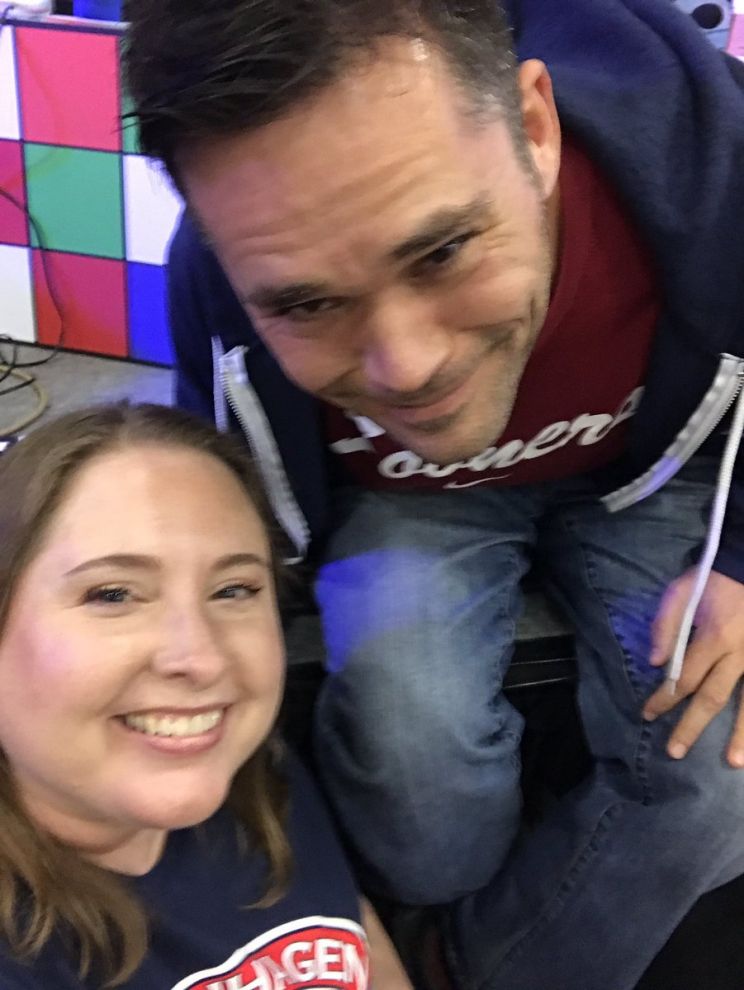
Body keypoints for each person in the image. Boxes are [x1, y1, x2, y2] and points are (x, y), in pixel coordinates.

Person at [122, 1, 744, 987]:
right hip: (413, 495)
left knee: (723, 775)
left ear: (534, 127)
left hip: (656, 473)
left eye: (442, 249)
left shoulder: (720, 175)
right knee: (415, 788)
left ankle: (460, 964)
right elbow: (221, 490)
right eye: (306, 302)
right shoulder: (210, 284)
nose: (406, 367)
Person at [0, 403, 411, 989]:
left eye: (233, 589)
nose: (203, 659)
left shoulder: (253, 773)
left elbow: (353, 929)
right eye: (113, 594)